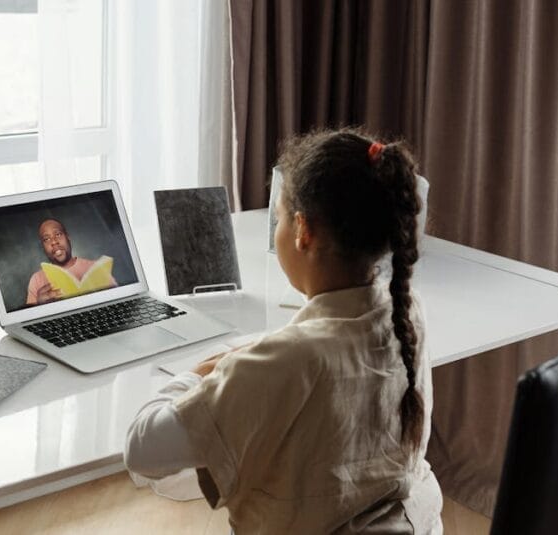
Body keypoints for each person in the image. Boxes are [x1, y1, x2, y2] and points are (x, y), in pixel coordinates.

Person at [124, 129, 442, 533]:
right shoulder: (409, 312)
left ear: (302, 230)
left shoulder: (287, 361)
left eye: (278, 216)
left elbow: (141, 448)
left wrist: (198, 373)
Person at [25, 218, 116, 305]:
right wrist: (39, 306)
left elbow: (116, 301)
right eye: (47, 239)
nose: (54, 242)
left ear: (68, 237)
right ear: (43, 247)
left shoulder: (96, 268)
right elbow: (30, 317)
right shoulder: (36, 279)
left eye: (58, 234)